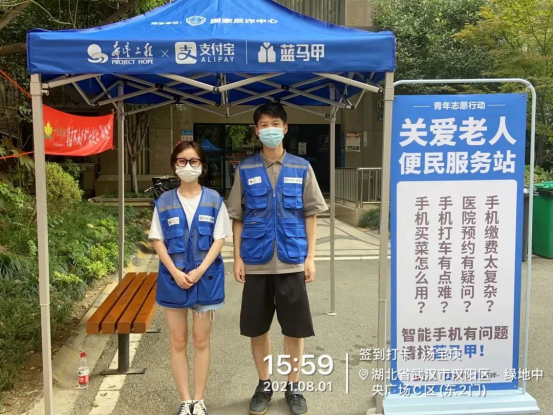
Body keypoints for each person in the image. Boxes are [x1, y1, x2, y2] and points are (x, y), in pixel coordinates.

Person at [227, 102, 328, 415]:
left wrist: (311, 257)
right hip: (256, 260)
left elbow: (311, 214)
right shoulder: (245, 169)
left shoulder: (302, 167)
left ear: (285, 128)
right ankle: (264, 383)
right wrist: (237, 258)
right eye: (264, 125)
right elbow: (238, 217)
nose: (270, 129)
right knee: (257, 328)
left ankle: (293, 386)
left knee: (294, 329)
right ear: (257, 131)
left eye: (275, 124)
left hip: (292, 258)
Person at [149, 141, 232, 415]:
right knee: (178, 341)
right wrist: (175, 272)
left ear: (202, 166)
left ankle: (199, 400)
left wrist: (200, 270)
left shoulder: (214, 199)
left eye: (194, 161)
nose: (188, 166)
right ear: (174, 165)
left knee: (201, 341)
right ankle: (185, 401)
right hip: (173, 281)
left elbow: (219, 238)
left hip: (205, 281)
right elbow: (157, 240)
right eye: (182, 161)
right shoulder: (164, 202)